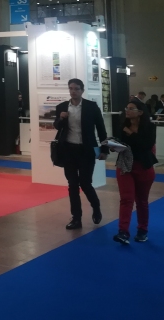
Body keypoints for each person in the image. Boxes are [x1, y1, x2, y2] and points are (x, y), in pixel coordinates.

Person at [53, 78, 108, 230]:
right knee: (72, 185)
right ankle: (76, 218)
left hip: (86, 150)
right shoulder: (62, 107)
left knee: (85, 183)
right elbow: (57, 126)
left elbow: (101, 129)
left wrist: (104, 149)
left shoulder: (91, 107)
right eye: (71, 88)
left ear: (82, 90)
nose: (73, 91)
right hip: (68, 150)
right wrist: (61, 118)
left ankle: (96, 207)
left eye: (76, 88)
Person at [113, 98, 157, 245]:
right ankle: (123, 231)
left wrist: (131, 134)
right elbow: (120, 144)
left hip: (143, 166)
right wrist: (112, 146)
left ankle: (142, 230)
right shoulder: (122, 126)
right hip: (125, 166)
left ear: (140, 112)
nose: (127, 111)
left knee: (142, 200)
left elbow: (146, 146)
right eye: (127, 108)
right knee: (126, 198)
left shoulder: (149, 127)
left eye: (131, 108)